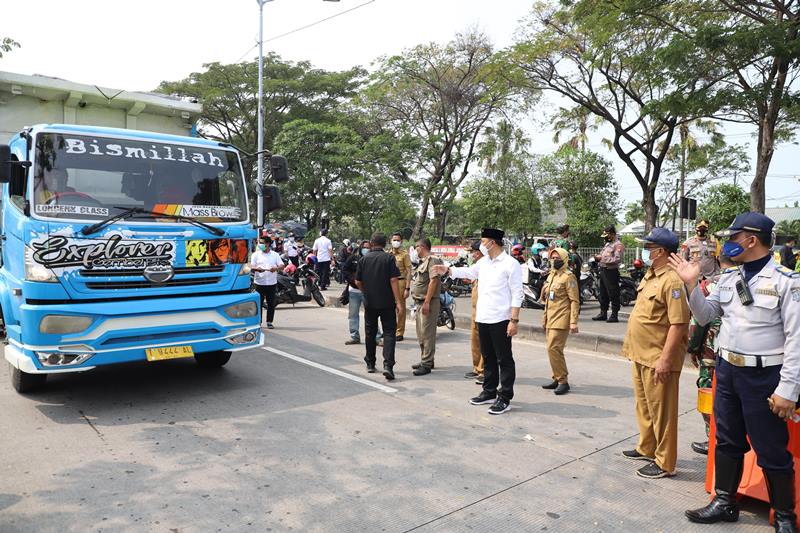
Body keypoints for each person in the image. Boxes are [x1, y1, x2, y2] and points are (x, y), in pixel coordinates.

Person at [670, 212, 800, 531]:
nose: (727, 244)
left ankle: (785, 517)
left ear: (751, 240)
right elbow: (704, 316)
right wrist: (691, 286)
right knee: (727, 440)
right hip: (727, 371)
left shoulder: (786, 281)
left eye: (733, 238)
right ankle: (724, 502)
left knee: (771, 448)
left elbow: (797, 339)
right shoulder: (729, 278)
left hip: (764, 376)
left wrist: (788, 390)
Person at [621, 227, 689, 479]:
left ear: (660, 251)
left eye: (649, 248)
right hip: (641, 354)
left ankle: (664, 462)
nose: (646, 251)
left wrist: (665, 359)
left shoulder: (671, 281)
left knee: (663, 412)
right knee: (645, 407)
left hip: (658, 358)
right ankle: (647, 446)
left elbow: (679, 323)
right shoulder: (652, 275)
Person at [433, 228, 523, 415]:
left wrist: (514, 320)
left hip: (501, 319)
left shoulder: (510, 264)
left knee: (504, 359)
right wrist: (447, 269)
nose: (481, 244)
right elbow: (468, 271)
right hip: (483, 317)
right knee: (488, 357)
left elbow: (517, 293)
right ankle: (489, 391)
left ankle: (504, 397)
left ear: (493, 242)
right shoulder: (484, 263)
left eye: (483, 241)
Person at [686, 254, 736, 456]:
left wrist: (693, 348)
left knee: (708, 394)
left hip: (711, 352)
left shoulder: (709, 285)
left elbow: (698, 322)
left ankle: (712, 438)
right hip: (737, 356)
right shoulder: (746, 281)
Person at [356, 233, 402, 381]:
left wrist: (366, 292)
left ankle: (370, 363)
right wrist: (399, 302)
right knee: (389, 333)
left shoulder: (364, 259)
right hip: (387, 302)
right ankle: (388, 365)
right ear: (385, 244)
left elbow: (358, 282)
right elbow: (394, 280)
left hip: (370, 302)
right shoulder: (389, 258)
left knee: (370, 332)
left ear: (371, 243)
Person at [540, 247, 580, 395]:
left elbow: (575, 301)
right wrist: (544, 318)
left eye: (557, 258)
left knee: (553, 348)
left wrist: (573, 322)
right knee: (553, 350)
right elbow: (548, 301)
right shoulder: (552, 275)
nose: (554, 261)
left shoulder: (568, 277)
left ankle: (563, 381)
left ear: (564, 259)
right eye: (552, 258)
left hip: (562, 318)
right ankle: (556, 377)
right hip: (550, 318)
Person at [409, 238, 443, 375]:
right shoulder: (422, 262)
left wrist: (427, 302)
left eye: (417, 247)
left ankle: (427, 363)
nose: (416, 250)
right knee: (421, 334)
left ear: (422, 247)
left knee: (428, 334)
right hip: (419, 302)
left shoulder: (433, 260)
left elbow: (433, 282)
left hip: (428, 302)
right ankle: (426, 359)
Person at [343, 241, 381, 346]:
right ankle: (354, 336)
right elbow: (345, 270)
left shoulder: (373, 259)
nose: (366, 249)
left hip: (368, 292)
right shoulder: (353, 258)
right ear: (360, 248)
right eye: (364, 247)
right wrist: (352, 280)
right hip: (354, 291)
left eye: (368, 247)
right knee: (353, 315)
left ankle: (377, 337)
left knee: (372, 315)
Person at [250, 235, 285, 329]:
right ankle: (258, 322)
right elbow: (251, 267)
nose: (260, 244)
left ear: (268, 244)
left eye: (262, 243)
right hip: (259, 283)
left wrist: (276, 268)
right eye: (259, 242)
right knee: (258, 304)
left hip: (271, 283)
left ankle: (269, 321)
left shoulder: (275, 255)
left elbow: (282, 265)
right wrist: (257, 269)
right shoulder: (256, 255)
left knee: (271, 303)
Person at [593, 225, 625, 323]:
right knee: (603, 293)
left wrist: (602, 259)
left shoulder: (618, 245)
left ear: (612, 234)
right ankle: (603, 313)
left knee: (613, 293)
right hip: (603, 270)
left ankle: (614, 315)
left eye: (608, 235)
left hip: (611, 271)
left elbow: (617, 259)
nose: (606, 237)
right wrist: (597, 257)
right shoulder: (608, 244)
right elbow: (603, 254)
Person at [463, 241, 485, 384]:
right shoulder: (477, 268)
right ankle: (477, 368)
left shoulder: (487, 266)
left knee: (484, 343)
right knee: (475, 341)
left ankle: (484, 371)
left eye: (473, 252)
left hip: (485, 311)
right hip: (475, 310)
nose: (472, 255)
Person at [390, 233, 413, 342]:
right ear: (391, 240)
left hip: (400, 282)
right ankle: (390, 330)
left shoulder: (404, 255)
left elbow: (409, 271)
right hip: (389, 283)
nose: (396, 241)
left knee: (400, 308)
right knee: (389, 308)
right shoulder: (388, 254)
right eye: (394, 239)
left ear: (401, 241)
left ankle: (399, 332)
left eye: (398, 240)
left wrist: (407, 288)